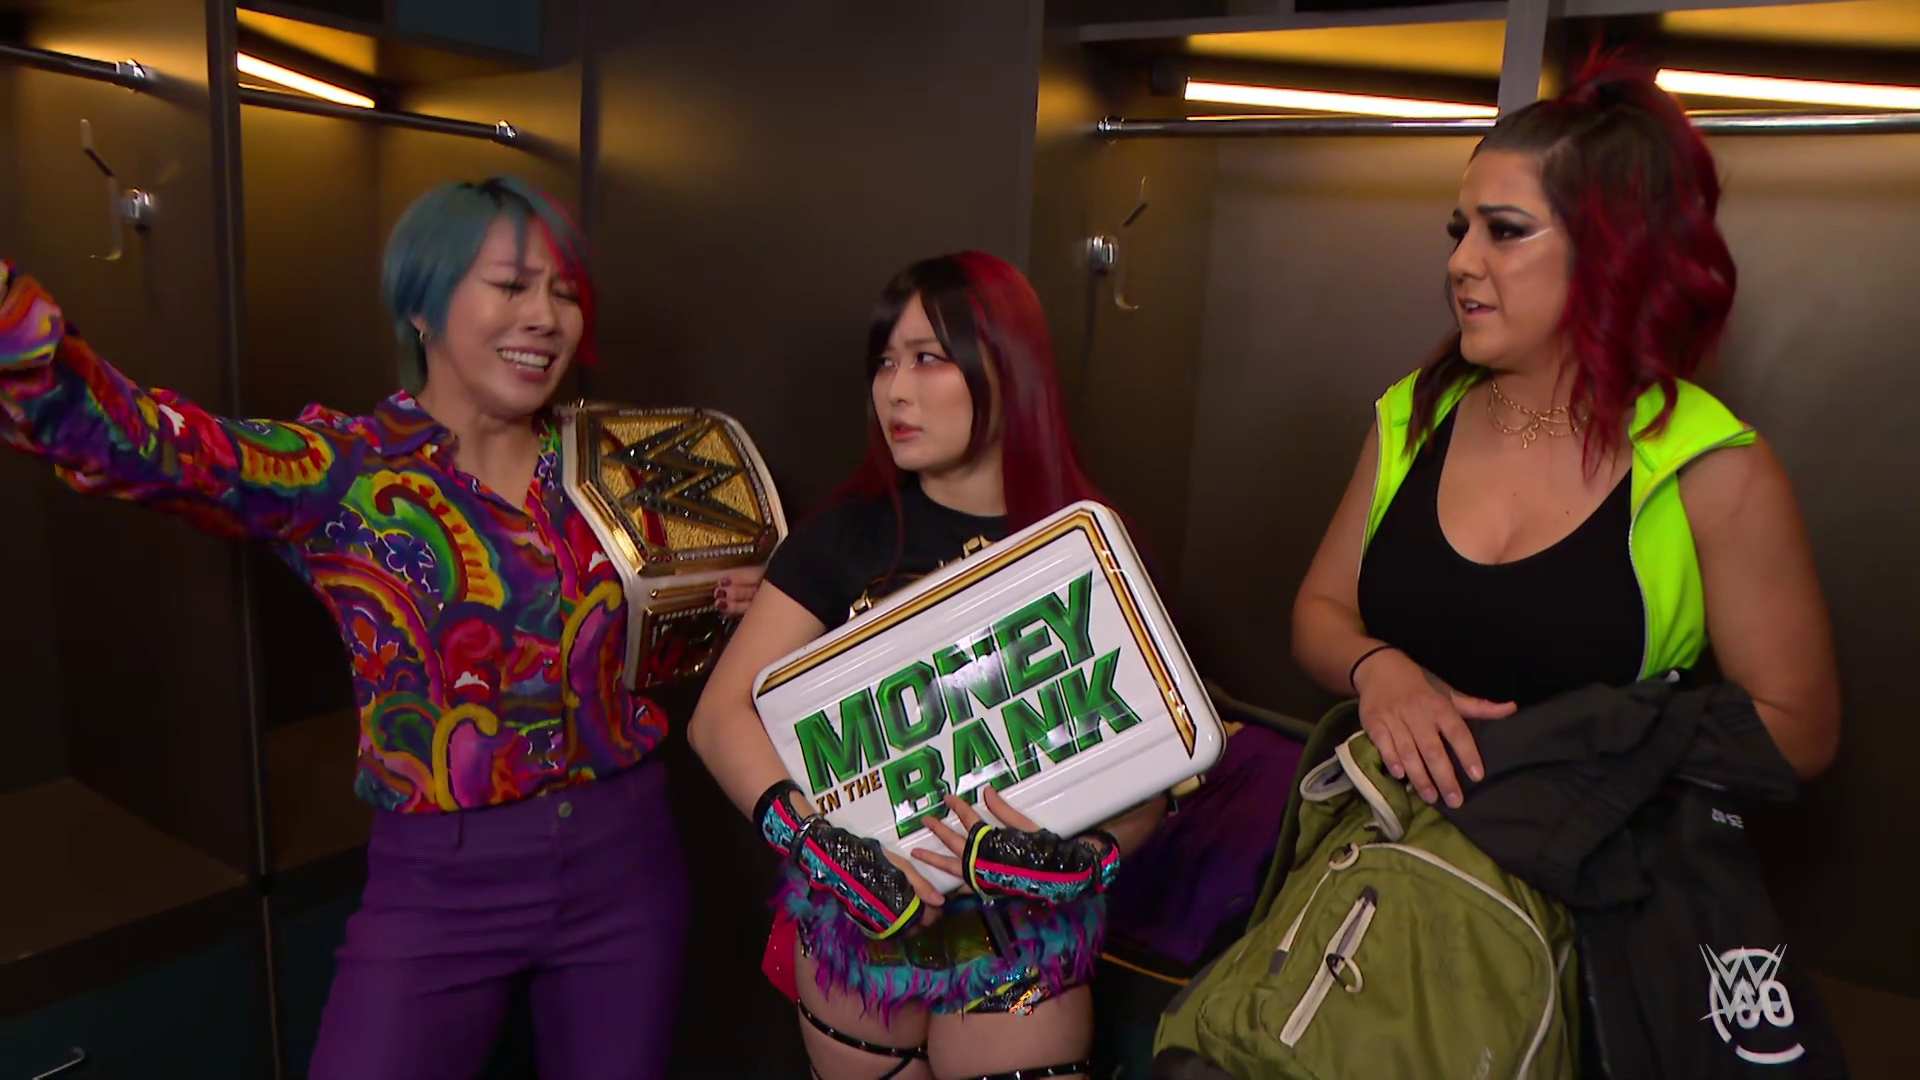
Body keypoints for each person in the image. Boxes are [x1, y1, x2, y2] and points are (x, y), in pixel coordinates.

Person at [0, 176, 758, 1079]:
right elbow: (136, 440)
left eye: (564, 293)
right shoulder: (346, 471)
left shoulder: (623, 461)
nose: (546, 317)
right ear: (421, 308)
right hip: (441, 883)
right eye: (511, 285)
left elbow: (697, 621)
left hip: (627, 861)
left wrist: (747, 605)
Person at [1291, 54, 1841, 813]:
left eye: (1505, 232)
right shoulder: (1416, 409)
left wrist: (1578, 745)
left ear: (1610, 252)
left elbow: (1801, 733)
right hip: (1380, 855)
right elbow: (1319, 612)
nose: (1461, 262)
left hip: (1574, 873)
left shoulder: (1712, 468)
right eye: (1460, 231)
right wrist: (1377, 668)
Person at [687, 251, 1166, 1080]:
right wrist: (819, 845)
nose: (895, 391)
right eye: (884, 362)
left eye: (927, 358)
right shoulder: (843, 538)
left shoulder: (1084, 547)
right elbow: (716, 717)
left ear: (1007, 369)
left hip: (1020, 946)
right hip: (859, 939)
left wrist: (1085, 858)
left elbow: (1150, 769)